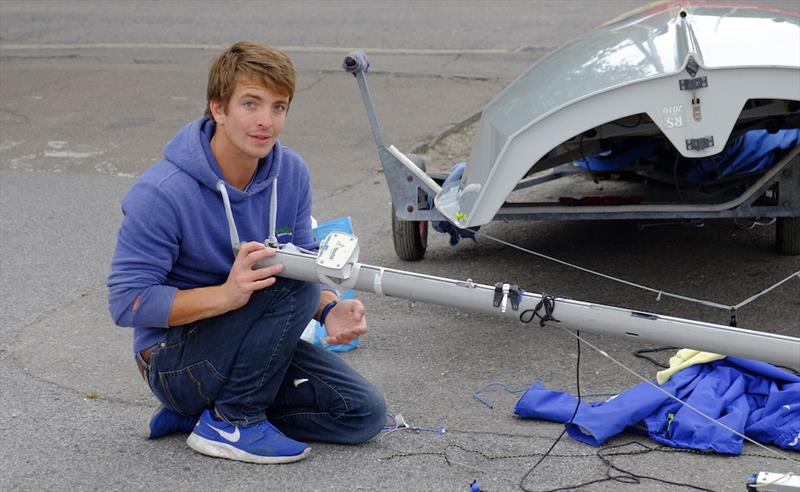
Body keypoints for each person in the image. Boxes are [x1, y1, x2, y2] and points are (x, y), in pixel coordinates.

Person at [107, 41, 386, 464]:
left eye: (278, 107)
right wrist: (226, 295)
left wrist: (329, 310)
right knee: (288, 278)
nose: (265, 122)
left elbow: (308, 263)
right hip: (172, 361)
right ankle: (234, 422)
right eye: (251, 104)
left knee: (363, 414)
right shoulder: (161, 193)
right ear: (218, 109)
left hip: (248, 344)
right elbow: (127, 302)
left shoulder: (290, 172)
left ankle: (202, 415)